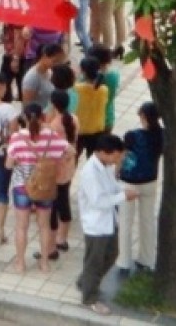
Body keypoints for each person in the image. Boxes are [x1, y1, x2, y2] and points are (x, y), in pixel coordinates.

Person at [77, 134, 138, 315]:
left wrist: (123, 190)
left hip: (109, 221)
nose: (118, 160)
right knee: (94, 261)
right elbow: (98, 202)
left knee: (111, 254)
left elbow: (112, 186)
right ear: (104, 152)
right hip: (95, 224)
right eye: (116, 156)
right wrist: (123, 196)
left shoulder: (106, 167)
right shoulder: (90, 173)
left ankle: (87, 282)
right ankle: (89, 298)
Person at [5, 103, 69, 273]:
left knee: (21, 226)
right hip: (46, 186)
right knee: (44, 226)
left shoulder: (17, 138)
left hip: (22, 186)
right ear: (43, 117)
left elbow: (8, 165)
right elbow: (68, 152)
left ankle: (20, 263)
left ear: (24, 118)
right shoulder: (52, 137)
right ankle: (45, 263)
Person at [117, 101, 164, 273]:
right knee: (147, 221)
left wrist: (116, 172)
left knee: (126, 221)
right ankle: (146, 259)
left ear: (143, 116)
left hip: (130, 182)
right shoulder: (162, 135)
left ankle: (123, 261)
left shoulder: (132, 135)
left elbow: (123, 156)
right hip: (150, 181)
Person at [46, 90, 79, 258]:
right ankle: (62, 239)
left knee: (52, 208)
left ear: (53, 104)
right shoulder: (73, 119)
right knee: (64, 202)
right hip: (68, 167)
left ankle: (51, 246)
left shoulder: (54, 126)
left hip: (55, 169)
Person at [73, 56, 109, 160]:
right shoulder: (104, 90)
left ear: (83, 71)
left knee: (73, 160)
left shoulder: (76, 89)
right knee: (93, 161)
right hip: (96, 130)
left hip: (79, 130)